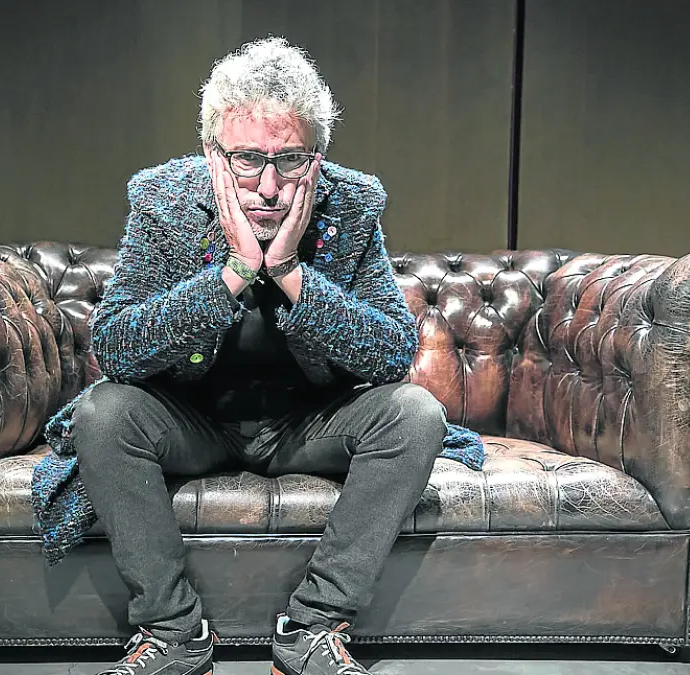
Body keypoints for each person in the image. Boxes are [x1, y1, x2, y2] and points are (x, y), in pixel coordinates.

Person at [31, 37, 485, 675]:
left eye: (290, 160)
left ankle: (314, 627)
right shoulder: (163, 201)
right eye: (247, 160)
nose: (269, 188)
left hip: (307, 424)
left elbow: (390, 352)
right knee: (103, 413)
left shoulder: (352, 204)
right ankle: (172, 633)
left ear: (317, 158)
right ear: (212, 153)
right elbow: (116, 347)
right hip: (192, 421)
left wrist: (292, 272)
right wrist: (235, 273)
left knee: (414, 414)